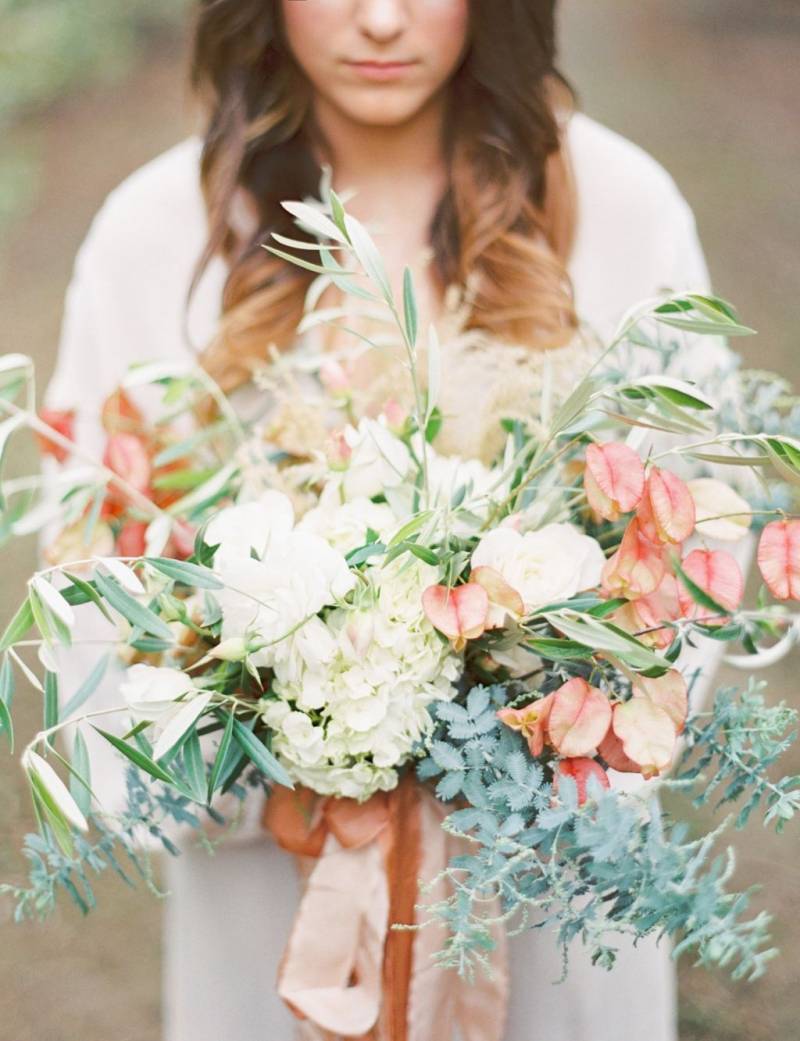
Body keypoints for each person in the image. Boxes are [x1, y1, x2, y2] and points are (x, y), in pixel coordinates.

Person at [43, 2, 734, 1039]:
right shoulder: (156, 233)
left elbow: (698, 538)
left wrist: (531, 743)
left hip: (544, 880)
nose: (378, 19)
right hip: (275, 878)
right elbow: (90, 560)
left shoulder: (623, 207)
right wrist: (273, 740)